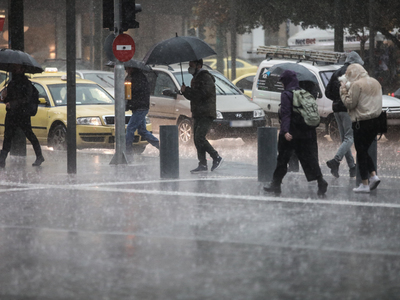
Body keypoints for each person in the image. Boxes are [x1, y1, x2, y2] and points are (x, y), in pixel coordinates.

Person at [264, 70, 328, 195]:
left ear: (286, 81)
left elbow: (286, 114)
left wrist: (285, 131)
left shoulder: (287, 94)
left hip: (291, 134)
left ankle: (275, 184)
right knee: (309, 158)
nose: (282, 84)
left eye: (282, 81)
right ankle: (321, 181)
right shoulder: (304, 93)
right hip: (306, 132)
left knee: (282, 159)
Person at [340, 63, 382, 193]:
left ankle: (365, 183)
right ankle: (373, 176)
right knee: (364, 150)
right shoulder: (375, 82)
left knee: (361, 151)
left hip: (361, 122)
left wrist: (343, 90)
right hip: (376, 121)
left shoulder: (357, 85)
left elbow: (349, 103)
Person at [325, 51, 364, 178]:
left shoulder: (337, 72)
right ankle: (335, 161)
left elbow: (327, 92)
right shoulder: (353, 72)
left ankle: (352, 167)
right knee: (349, 137)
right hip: (348, 108)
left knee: (344, 139)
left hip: (336, 108)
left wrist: (337, 99)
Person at [181, 59, 223, 173]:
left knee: (200, 137)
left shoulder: (205, 77)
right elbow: (194, 97)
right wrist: (185, 91)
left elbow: (202, 94)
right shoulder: (196, 78)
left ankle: (216, 157)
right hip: (198, 113)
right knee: (196, 139)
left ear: (198, 65)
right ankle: (202, 163)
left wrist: (189, 90)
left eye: (191, 65)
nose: (190, 68)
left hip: (206, 113)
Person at [0, 65, 44, 168]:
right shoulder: (11, 83)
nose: (15, 70)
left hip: (22, 114)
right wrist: (5, 98)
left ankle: (39, 156)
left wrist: (13, 104)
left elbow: (26, 99)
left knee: (29, 134)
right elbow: (8, 99)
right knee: (8, 136)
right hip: (12, 114)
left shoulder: (26, 84)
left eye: (17, 68)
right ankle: (2, 159)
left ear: (23, 70)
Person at [125, 67, 160, 156]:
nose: (126, 70)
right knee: (142, 130)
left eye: (127, 69)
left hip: (140, 108)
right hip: (140, 107)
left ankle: (127, 150)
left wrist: (128, 83)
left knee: (130, 128)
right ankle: (160, 145)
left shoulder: (138, 78)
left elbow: (133, 93)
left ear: (132, 69)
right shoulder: (138, 77)